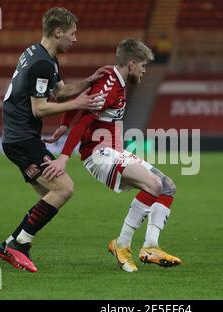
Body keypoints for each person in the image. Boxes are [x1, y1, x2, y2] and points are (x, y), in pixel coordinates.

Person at [42, 39, 182, 273]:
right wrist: (64, 156)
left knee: (167, 187)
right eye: (143, 66)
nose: (144, 71)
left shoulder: (113, 80)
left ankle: (131, 245)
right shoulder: (110, 85)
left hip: (114, 151)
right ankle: (145, 246)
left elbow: (82, 99)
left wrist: (64, 124)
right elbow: (85, 119)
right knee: (154, 185)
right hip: (99, 154)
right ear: (132, 63)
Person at [0, 7, 110, 272]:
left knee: (52, 193)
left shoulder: (41, 55)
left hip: (18, 138)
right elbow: (39, 109)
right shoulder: (42, 64)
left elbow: (59, 93)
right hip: (22, 139)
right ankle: (19, 245)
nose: (75, 39)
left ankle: (11, 243)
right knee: (64, 188)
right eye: (72, 34)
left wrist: (87, 82)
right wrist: (79, 103)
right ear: (58, 32)